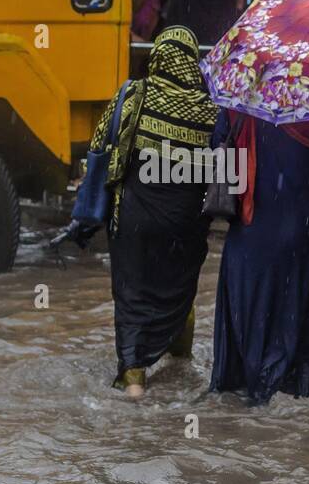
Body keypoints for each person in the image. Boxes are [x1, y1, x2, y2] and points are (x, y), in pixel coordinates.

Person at [87, 26, 219, 397]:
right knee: (177, 288)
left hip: (134, 219)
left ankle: (133, 377)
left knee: (132, 291)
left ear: (158, 56)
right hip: (186, 223)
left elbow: (101, 143)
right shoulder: (210, 108)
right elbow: (221, 165)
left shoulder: (133, 95)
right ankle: (180, 364)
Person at [210, 113, 309, 405]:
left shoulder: (237, 107)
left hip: (248, 238)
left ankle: (253, 391)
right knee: (299, 322)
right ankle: (292, 389)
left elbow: (219, 154)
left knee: (251, 325)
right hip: (300, 234)